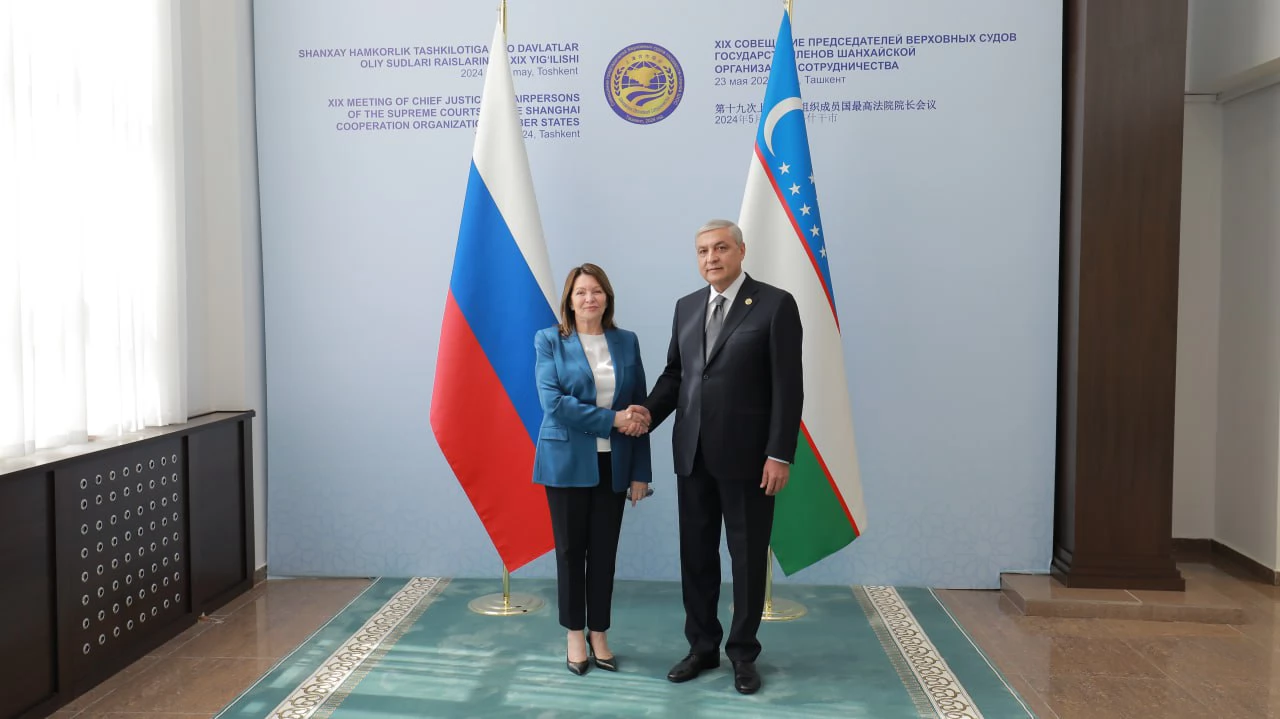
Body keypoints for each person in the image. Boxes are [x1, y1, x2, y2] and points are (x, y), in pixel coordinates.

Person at [636, 219, 803, 695]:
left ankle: (743, 653)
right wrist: (645, 415)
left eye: (721, 248)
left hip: (751, 460)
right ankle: (702, 646)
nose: (711, 257)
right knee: (696, 556)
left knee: (747, 559)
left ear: (741, 251)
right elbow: (676, 376)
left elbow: (788, 387)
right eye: (703, 250)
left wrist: (779, 454)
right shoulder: (686, 307)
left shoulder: (775, 304)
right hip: (692, 456)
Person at [532, 263, 653, 676]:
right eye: (581, 292)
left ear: (607, 298)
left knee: (604, 554)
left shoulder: (626, 340)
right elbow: (554, 403)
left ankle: (599, 632)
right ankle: (573, 633)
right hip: (566, 462)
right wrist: (612, 420)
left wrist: (641, 471)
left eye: (597, 291)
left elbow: (639, 409)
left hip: (614, 463)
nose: (589, 298)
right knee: (570, 552)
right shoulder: (549, 340)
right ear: (569, 300)